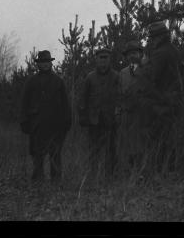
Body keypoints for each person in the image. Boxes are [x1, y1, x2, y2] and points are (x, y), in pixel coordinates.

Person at [19, 50, 72, 183]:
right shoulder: (31, 82)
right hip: (37, 124)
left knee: (55, 153)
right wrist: (24, 121)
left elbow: (65, 104)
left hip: (55, 125)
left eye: (47, 62)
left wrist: (66, 121)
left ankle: (56, 181)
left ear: (51, 63)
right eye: (42, 62)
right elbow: (24, 103)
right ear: (38, 64)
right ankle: (38, 181)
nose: (45, 65)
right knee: (37, 154)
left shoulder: (58, 81)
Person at [139, 21, 182, 172]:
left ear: (157, 38)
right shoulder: (174, 50)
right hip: (173, 100)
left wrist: (144, 65)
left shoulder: (159, 53)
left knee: (157, 141)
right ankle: (168, 172)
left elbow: (152, 77)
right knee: (169, 140)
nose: (151, 41)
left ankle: (159, 173)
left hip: (159, 103)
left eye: (152, 38)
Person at [78, 47, 121, 179]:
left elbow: (120, 97)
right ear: (96, 59)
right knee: (93, 151)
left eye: (106, 58)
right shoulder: (90, 78)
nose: (103, 61)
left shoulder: (116, 76)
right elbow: (83, 100)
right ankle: (92, 177)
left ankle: (109, 177)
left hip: (110, 120)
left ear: (110, 59)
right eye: (100, 58)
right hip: (94, 121)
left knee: (111, 151)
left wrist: (118, 114)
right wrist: (83, 117)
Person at [117, 39, 147, 174]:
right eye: (129, 54)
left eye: (135, 53)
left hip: (141, 114)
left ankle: (142, 173)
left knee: (141, 145)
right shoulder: (122, 73)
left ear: (140, 54)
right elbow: (119, 94)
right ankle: (129, 172)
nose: (132, 56)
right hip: (126, 114)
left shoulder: (146, 70)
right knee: (127, 145)